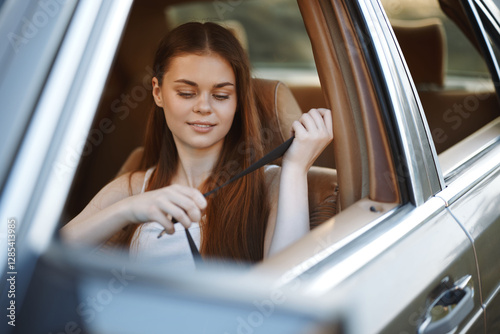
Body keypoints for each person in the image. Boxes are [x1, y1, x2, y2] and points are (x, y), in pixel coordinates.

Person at [61, 22, 333, 267]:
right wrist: (128, 208)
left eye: (221, 95)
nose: (203, 107)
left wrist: (296, 168)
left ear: (238, 101)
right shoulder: (134, 185)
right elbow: (35, 256)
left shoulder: (269, 184)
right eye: (187, 93)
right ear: (158, 92)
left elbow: (288, 283)